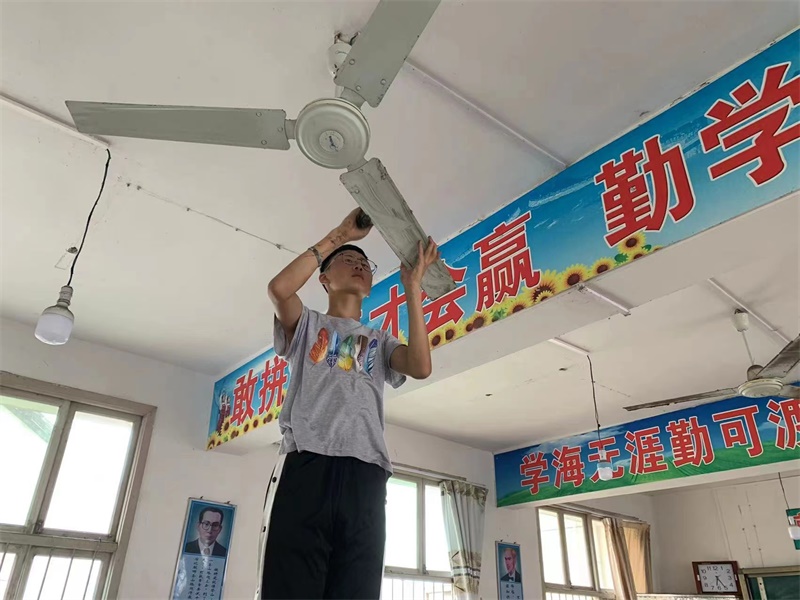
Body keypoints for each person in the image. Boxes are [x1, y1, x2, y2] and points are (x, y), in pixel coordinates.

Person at [259, 208, 439, 599]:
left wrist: (412, 288)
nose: (359, 265)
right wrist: (340, 236)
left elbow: (420, 366)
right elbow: (279, 289)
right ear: (324, 278)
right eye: (348, 260)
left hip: (366, 474)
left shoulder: (380, 340)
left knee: (356, 591)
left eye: (365, 263)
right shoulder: (307, 325)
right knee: (291, 588)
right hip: (308, 465)